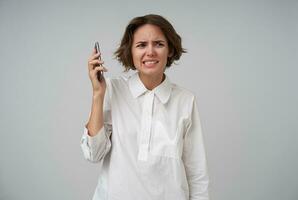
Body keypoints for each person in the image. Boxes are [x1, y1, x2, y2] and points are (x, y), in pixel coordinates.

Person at [80, 14, 210, 200]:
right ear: (130, 52)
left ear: (170, 50)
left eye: (158, 44)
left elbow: (197, 174)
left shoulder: (185, 100)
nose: (150, 52)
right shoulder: (112, 90)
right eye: (141, 45)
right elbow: (93, 154)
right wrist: (97, 94)